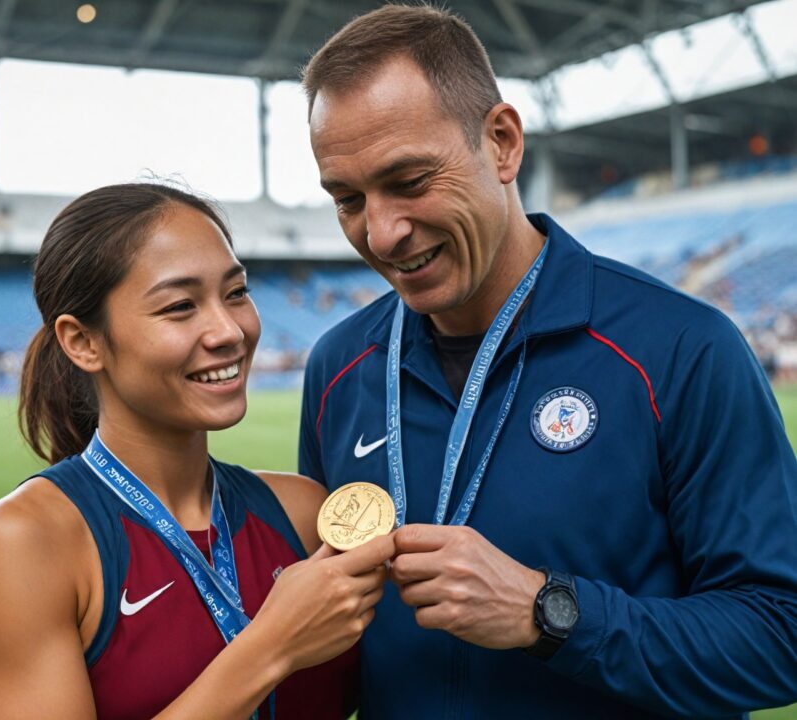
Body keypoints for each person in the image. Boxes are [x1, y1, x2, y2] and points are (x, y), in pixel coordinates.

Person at [297, 5, 797, 719]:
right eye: (347, 199)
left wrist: (549, 612)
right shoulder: (339, 366)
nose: (381, 232)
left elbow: (781, 632)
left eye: (409, 181)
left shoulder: (681, 350)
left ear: (502, 143)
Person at [0, 183, 394, 720]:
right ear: (83, 342)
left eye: (236, 292)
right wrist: (271, 646)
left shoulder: (304, 513)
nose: (229, 330)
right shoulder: (26, 542)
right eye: (181, 306)